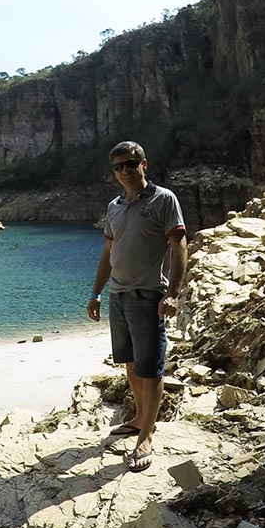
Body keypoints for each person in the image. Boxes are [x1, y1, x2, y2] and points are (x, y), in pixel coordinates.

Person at [86, 141, 187, 473]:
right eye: (118, 167)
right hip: (119, 295)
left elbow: (179, 245)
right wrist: (96, 292)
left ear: (144, 164)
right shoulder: (114, 206)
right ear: (114, 173)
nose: (125, 171)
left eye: (131, 164)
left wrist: (172, 292)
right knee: (129, 362)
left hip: (148, 296)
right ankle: (141, 417)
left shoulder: (163, 200)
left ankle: (145, 437)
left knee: (151, 369)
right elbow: (107, 253)